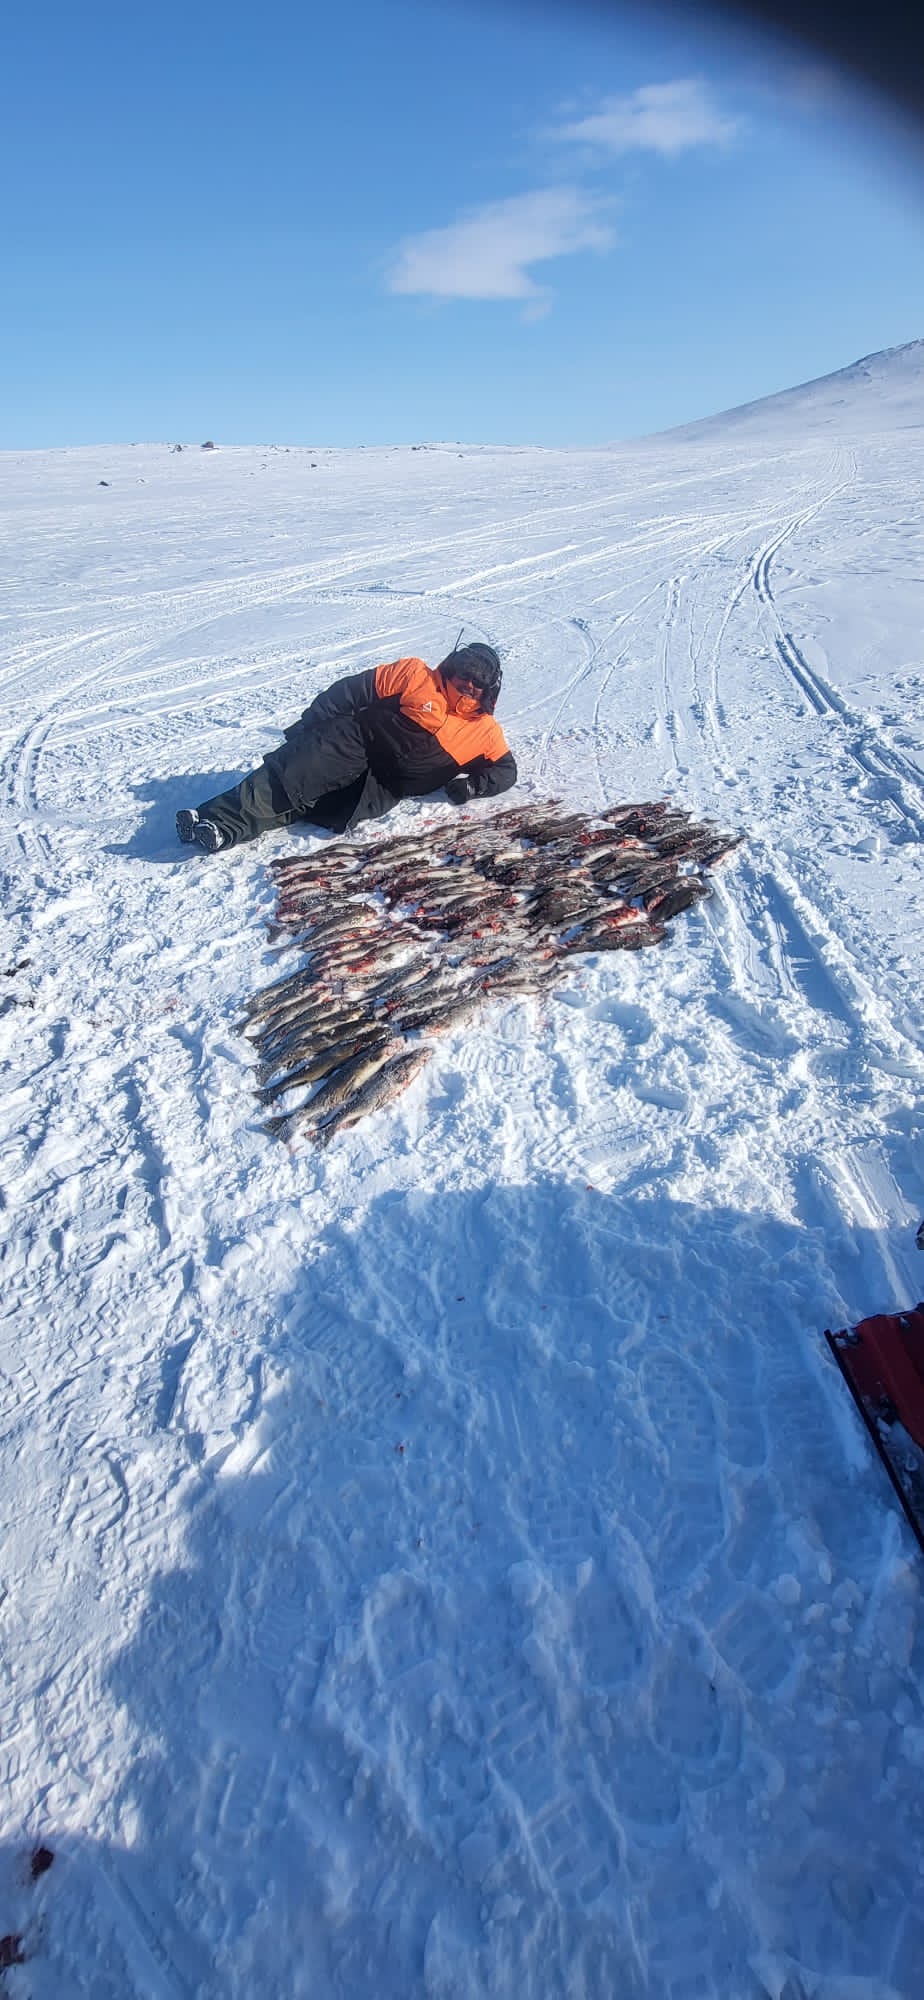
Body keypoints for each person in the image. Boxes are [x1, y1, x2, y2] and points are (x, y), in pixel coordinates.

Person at [176, 642, 516, 852]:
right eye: (465, 674)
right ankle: (217, 819)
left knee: (315, 803)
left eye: (479, 681)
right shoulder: (415, 675)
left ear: (490, 689)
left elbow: (506, 771)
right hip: (356, 742)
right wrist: (310, 725)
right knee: (295, 774)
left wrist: (472, 785)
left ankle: (222, 828)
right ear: (452, 667)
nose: (468, 684)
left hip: (384, 786)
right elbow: (349, 692)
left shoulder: (485, 731)